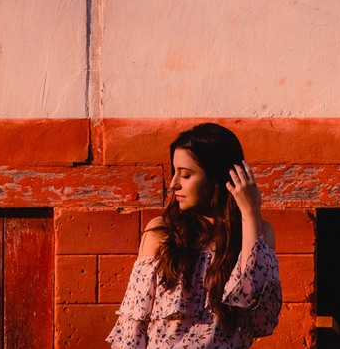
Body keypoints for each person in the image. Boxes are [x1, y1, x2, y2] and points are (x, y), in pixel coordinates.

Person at [107, 123, 282, 349]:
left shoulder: (258, 233)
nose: (173, 184)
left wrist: (250, 213)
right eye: (174, 172)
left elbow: (251, 299)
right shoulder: (162, 234)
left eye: (186, 175)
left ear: (217, 177)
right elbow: (132, 332)